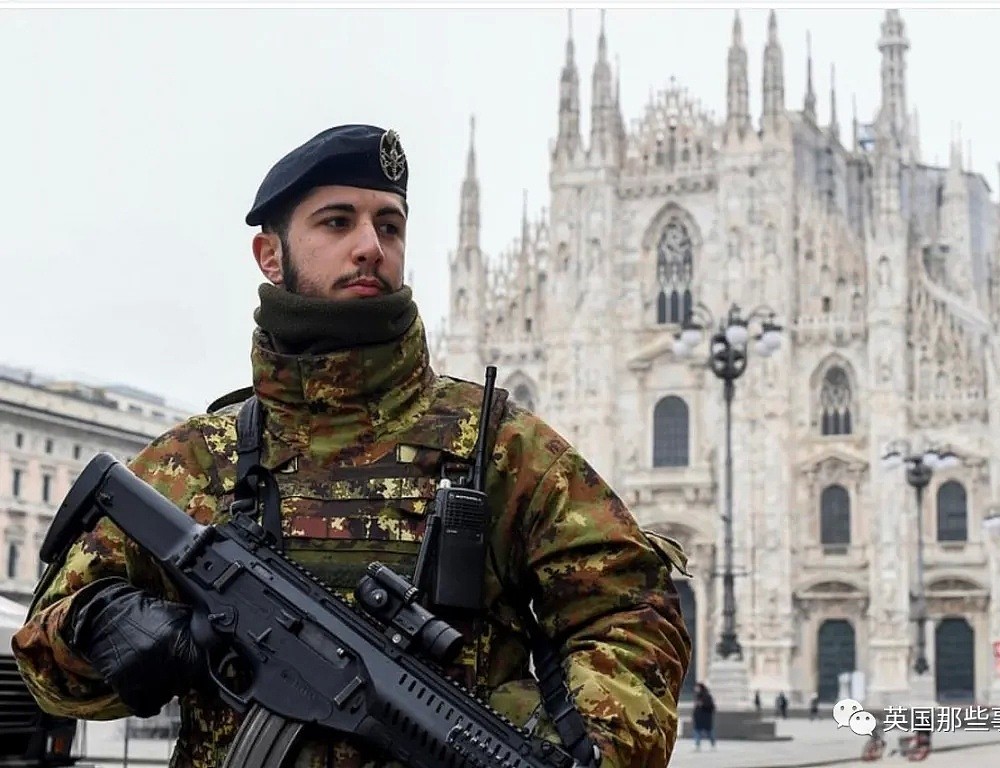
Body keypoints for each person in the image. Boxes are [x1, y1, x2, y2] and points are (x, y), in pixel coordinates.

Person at [12, 124, 692, 768]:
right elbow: (44, 658)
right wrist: (118, 629)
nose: (370, 244)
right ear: (270, 253)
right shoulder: (196, 460)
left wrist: (591, 743)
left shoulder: (500, 446)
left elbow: (631, 609)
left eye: (388, 224)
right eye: (338, 221)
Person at [691, 683, 715, 751]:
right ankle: (697, 745)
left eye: (697, 687)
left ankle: (712, 744)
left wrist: (702, 704)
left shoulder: (707, 696)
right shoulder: (697, 696)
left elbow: (711, 707)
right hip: (698, 718)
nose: (696, 689)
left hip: (706, 718)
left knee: (709, 732)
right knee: (697, 731)